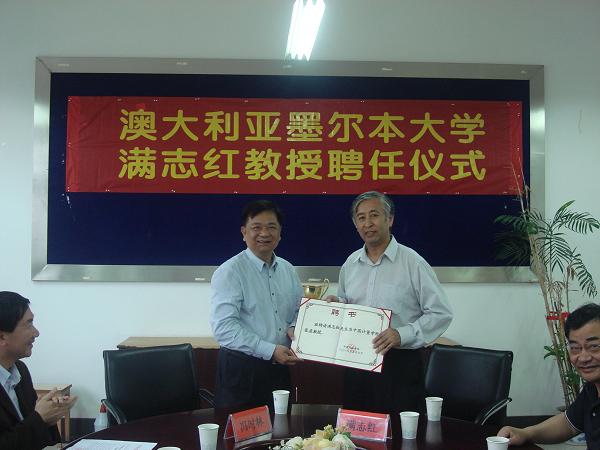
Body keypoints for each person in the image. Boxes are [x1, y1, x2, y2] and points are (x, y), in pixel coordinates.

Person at [325, 191, 453, 414]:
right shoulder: (350, 264)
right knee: (356, 427)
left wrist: (401, 334)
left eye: (374, 215)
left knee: (399, 430)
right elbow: (348, 300)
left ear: (390, 219)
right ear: (355, 225)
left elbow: (441, 313)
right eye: (361, 218)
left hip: (399, 364)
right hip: (356, 362)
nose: (368, 223)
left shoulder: (412, 262)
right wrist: (338, 304)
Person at [210, 200, 303, 412]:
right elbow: (224, 328)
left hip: (280, 369)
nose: (264, 233)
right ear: (244, 232)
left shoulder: (288, 270)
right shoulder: (230, 272)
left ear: (280, 233)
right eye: (256, 227)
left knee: (282, 428)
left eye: (271, 227)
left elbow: (299, 311)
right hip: (242, 373)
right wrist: (270, 350)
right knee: (241, 432)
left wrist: (294, 327)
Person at [498, 303, 600, 449]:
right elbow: (568, 424)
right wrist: (525, 433)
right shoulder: (592, 389)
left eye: (594, 346)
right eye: (575, 348)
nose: (583, 357)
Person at [0, 291, 77, 450]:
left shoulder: (20, 370)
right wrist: (39, 418)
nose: (36, 333)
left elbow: (38, 440)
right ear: (2, 337)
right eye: (28, 324)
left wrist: (49, 417)